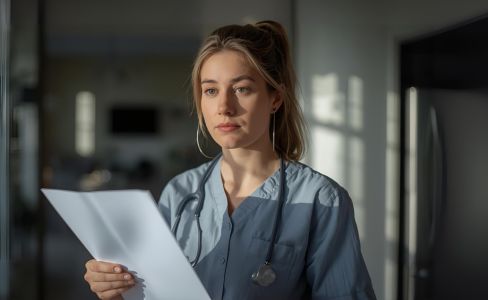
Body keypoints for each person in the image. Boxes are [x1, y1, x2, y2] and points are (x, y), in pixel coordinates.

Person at [83, 20, 376, 300]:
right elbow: (153, 290)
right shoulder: (179, 193)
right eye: (211, 90)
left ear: (275, 98)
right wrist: (117, 288)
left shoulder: (321, 200)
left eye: (242, 89)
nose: (224, 107)